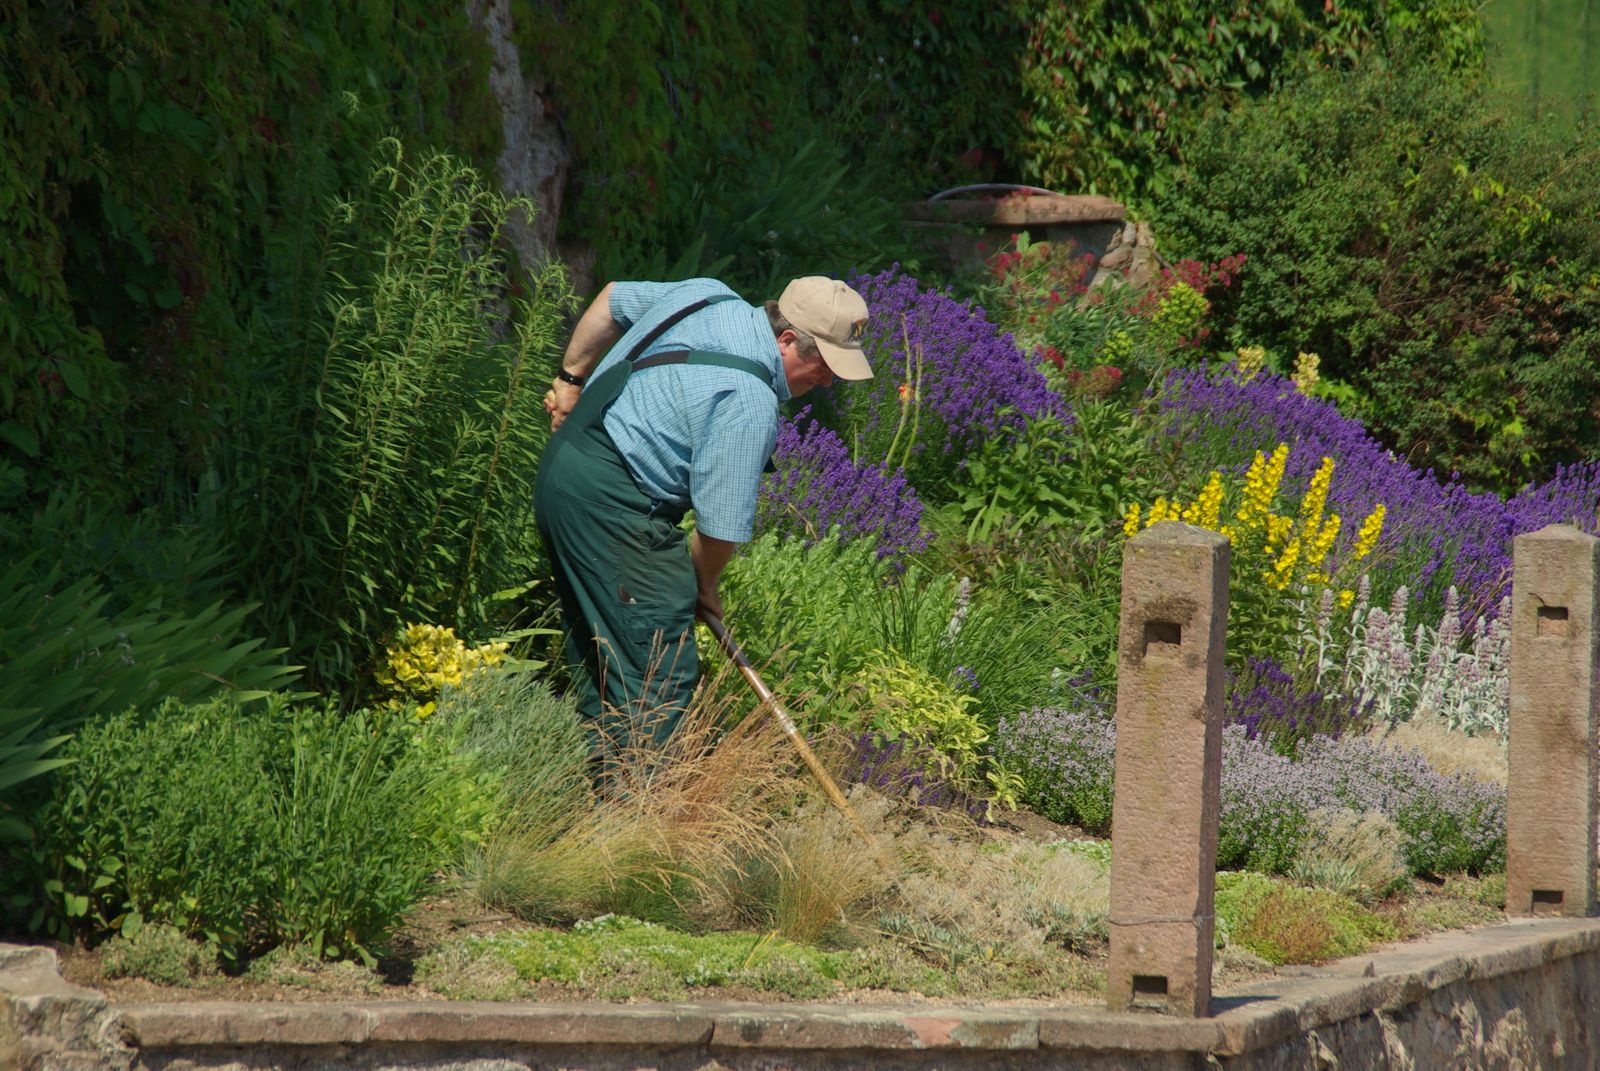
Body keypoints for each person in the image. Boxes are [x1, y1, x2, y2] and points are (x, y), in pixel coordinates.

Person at [534, 275, 872, 766]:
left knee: (609, 653)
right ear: (785, 339)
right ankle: (633, 817)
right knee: (655, 672)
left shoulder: (706, 294)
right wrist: (702, 584)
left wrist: (569, 382)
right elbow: (718, 528)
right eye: (823, 363)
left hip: (566, 472)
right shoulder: (750, 400)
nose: (827, 381)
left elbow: (610, 301)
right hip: (614, 504)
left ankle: (593, 802)